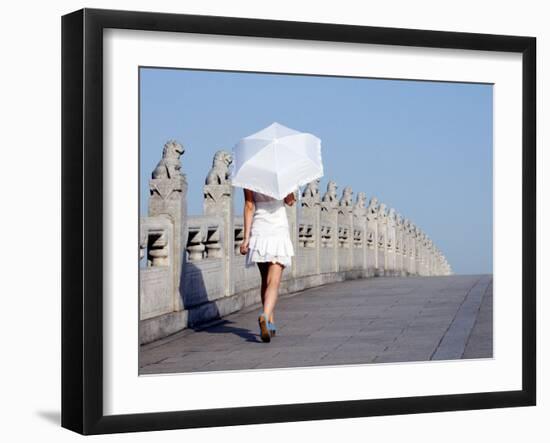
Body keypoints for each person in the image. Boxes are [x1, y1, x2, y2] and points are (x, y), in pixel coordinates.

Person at [239, 188, 296, 342]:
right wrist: (289, 189)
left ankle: (270, 321)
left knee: (265, 280)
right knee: (274, 282)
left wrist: (246, 238)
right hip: (278, 232)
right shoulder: (282, 177)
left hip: (259, 232)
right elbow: (290, 201)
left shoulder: (250, 176)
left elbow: (249, 206)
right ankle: (265, 316)